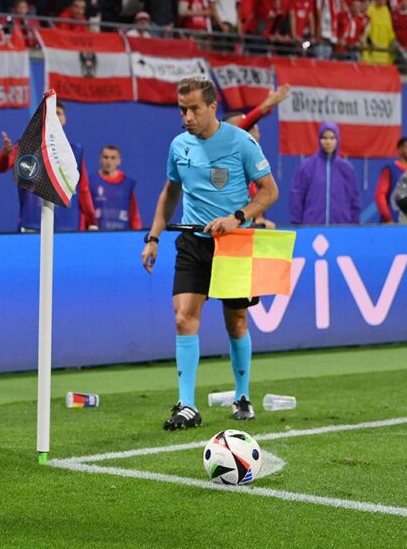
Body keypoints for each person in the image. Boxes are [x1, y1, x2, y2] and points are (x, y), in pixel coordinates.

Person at [140, 75, 279, 430]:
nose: (187, 117)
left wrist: (237, 218)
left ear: (212, 107)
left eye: (194, 109)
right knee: (184, 318)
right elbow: (170, 191)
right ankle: (187, 404)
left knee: (236, 323)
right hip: (192, 241)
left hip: (234, 244)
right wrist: (153, 237)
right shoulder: (178, 146)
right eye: (182, 109)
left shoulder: (242, 142)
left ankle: (243, 395)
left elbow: (269, 191)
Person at [0, 100, 98, 232]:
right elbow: (1, 167)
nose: (54, 117)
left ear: (64, 119)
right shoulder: (25, 146)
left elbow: (83, 188)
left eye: (58, 113)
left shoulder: (76, 152)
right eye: (50, 114)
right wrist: (5, 154)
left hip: (68, 227)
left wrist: (92, 221)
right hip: (32, 225)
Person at [223, 84, 291, 229]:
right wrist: (266, 105)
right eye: (249, 128)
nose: (253, 132)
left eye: (255, 129)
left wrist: (260, 221)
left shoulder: (252, 161)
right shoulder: (227, 150)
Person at [289, 122, 361, 225]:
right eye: (324, 138)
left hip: (341, 228)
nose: (328, 142)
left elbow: (354, 199)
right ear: (319, 139)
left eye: (332, 138)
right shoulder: (307, 166)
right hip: (312, 228)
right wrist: (297, 223)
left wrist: (354, 224)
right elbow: (297, 196)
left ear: (338, 140)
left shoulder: (346, 169)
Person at [88, 145, 142, 230]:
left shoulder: (127, 184)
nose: (109, 161)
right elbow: (84, 212)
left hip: (122, 236)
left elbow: (134, 214)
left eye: (113, 158)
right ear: (100, 159)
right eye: (106, 157)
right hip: (97, 235)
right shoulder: (90, 182)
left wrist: (137, 234)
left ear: (119, 161)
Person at [375, 136, 407, 223]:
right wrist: (388, 218)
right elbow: (380, 195)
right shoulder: (391, 169)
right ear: (400, 150)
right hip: (392, 221)